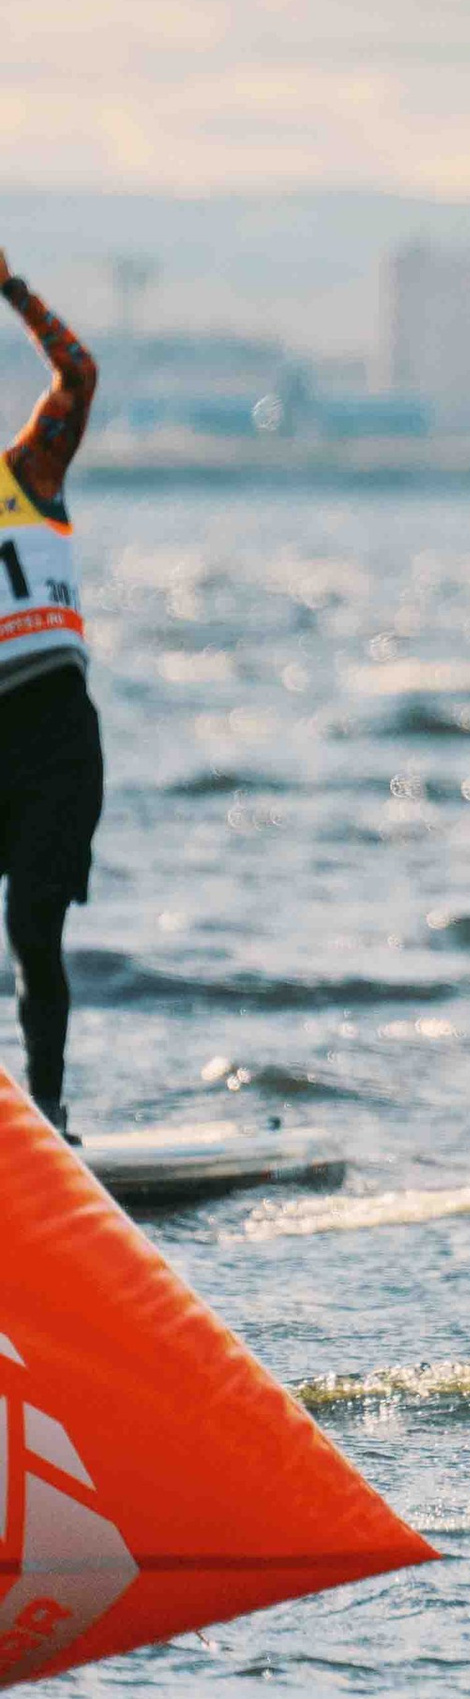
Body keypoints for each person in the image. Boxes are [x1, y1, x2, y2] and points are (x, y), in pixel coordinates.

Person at [0, 255, 101, 1138]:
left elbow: (79, 374)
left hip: (58, 740)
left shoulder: (29, 473)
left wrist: (12, 290)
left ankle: (48, 1116)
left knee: (33, 929)